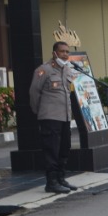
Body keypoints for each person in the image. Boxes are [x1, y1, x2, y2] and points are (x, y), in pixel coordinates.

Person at [29, 41, 79, 194]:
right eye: (62, 51)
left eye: (67, 52)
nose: (65, 54)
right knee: (52, 150)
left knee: (64, 148)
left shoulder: (68, 70)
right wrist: (40, 111)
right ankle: (51, 182)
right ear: (54, 53)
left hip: (64, 117)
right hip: (50, 117)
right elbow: (34, 93)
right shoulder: (44, 70)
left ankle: (60, 178)